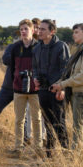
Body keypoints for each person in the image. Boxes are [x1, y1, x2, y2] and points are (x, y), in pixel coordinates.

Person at [50, 23, 83, 149]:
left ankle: (75, 155)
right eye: (73, 32)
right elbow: (71, 72)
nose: (73, 35)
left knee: (78, 127)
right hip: (76, 93)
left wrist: (62, 85)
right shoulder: (80, 50)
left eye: (76, 32)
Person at [33, 19, 70, 155]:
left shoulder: (61, 46)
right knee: (47, 121)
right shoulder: (37, 48)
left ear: (52, 31)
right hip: (43, 90)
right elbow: (35, 67)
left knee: (59, 121)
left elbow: (66, 69)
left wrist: (62, 88)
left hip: (57, 90)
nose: (39, 32)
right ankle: (49, 153)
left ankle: (66, 152)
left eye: (43, 29)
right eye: (39, 29)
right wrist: (35, 79)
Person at [7, 19, 42, 155]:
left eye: (26, 29)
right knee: (19, 120)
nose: (23, 31)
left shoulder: (38, 46)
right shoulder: (15, 47)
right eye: (21, 29)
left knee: (36, 119)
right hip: (18, 88)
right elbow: (11, 68)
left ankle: (38, 148)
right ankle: (18, 148)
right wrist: (13, 83)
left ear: (33, 31)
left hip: (35, 89)